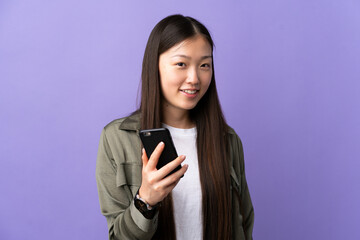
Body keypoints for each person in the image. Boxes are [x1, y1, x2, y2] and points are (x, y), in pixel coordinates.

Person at [96, 14, 254, 240]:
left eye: (204, 65)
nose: (194, 78)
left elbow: (244, 225)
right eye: (181, 64)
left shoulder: (227, 139)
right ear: (155, 66)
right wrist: (145, 200)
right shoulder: (117, 138)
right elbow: (119, 237)